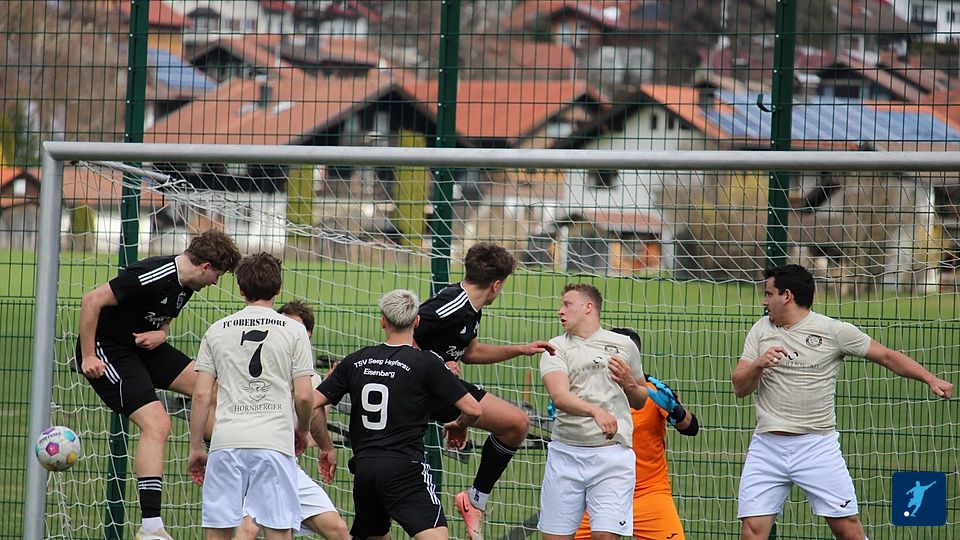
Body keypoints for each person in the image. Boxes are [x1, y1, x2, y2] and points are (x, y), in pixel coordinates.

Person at [731, 264, 953, 540]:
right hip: (767, 446)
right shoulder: (760, 330)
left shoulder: (833, 331)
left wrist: (930, 378)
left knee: (848, 530)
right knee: (751, 531)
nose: (764, 302)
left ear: (786, 296)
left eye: (768, 294)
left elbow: (886, 356)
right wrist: (759, 364)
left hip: (816, 446)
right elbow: (739, 387)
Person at [76, 230, 241, 540]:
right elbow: (91, 301)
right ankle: (151, 527)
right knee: (158, 424)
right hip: (109, 349)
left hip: (144, 347)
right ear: (205, 267)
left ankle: (230, 470)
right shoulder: (150, 275)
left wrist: (162, 333)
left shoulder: (188, 284)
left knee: (211, 387)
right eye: (217, 276)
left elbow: (163, 317)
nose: (216, 283)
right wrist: (88, 356)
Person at [313, 289, 482, 540]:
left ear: (383, 321)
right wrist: (459, 424)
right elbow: (474, 409)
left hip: (365, 469)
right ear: (417, 321)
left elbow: (313, 403)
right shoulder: (426, 362)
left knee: (375, 535)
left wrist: (326, 446)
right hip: (405, 467)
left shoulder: (356, 360)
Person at [414, 242, 555, 540]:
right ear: (496, 285)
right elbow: (403, 333)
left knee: (516, 423)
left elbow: (471, 353)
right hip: (415, 387)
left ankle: (475, 501)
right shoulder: (450, 304)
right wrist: (437, 364)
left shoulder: (471, 308)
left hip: (440, 387)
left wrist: (521, 349)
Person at [187, 253, 316, 540]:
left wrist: (196, 446)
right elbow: (305, 396)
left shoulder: (216, 330)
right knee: (278, 529)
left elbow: (201, 394)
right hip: (274, 442)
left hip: (226, 442)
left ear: (240, 289)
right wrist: (303, 430)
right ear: (278, 288)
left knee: (218, 530)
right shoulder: (295, 331)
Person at [232, 300, 349, 540]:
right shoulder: (257, 368)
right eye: (283, 325)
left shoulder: (311, 380)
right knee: (249, 529)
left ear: (308, 334)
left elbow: (310, 433)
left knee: (337, 530)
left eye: (295, 327)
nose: (288, 332)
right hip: (251, 460)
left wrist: (326, 395)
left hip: (286, 465)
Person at [538, 284, 647, 540]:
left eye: (567, 304)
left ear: (588, 307)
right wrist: (595, 411)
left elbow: (641, 399)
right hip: (566, 455)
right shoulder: (555, 347)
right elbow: (560, 397)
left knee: (605, 537)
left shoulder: (624, 345)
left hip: (612, 457)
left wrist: (630, 384)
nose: (560, 310)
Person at [575, 327, 701, 540]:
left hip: (649, 492)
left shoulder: (653, 391)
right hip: (600, 493)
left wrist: (674, 408)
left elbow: (691, 427)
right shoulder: (588, 391)